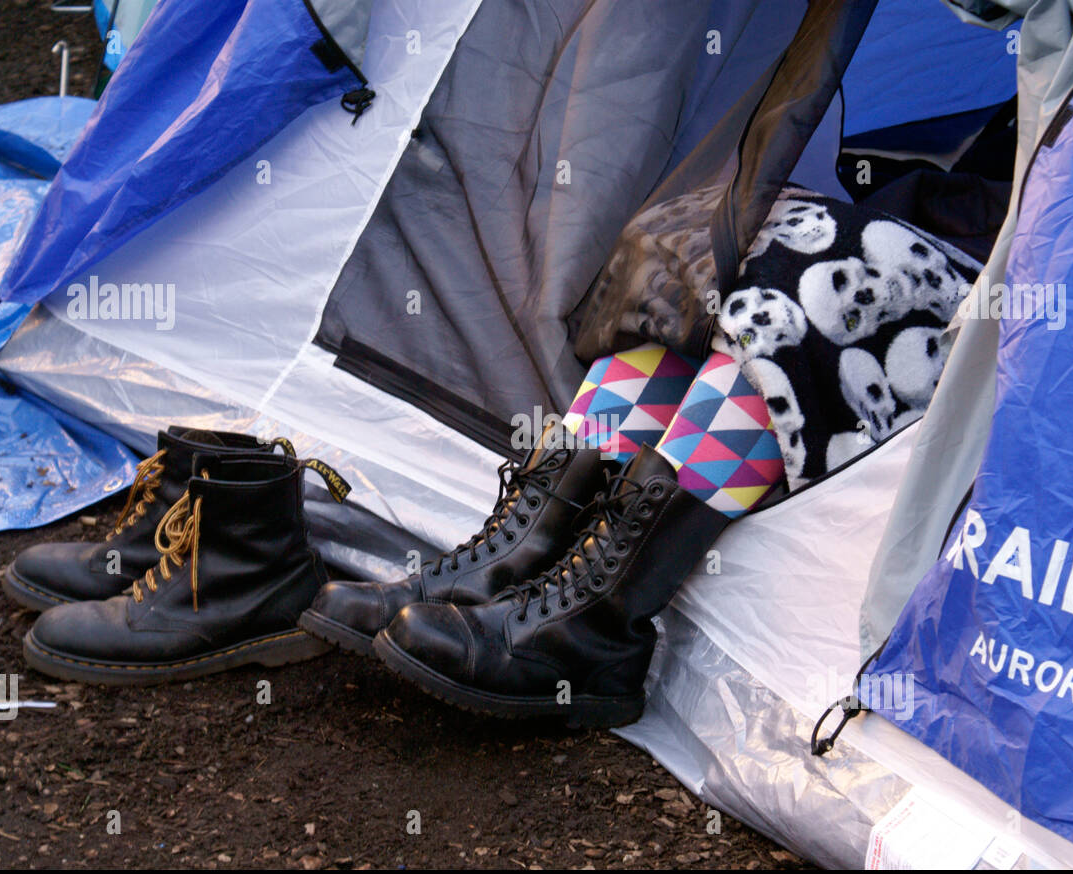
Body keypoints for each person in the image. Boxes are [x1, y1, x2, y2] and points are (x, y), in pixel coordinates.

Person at [300, 183, 978, 727]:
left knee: (803, 277)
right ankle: (517, 563)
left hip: (990, 288)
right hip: (930, 206)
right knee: (698, 226)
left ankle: (594, 631)